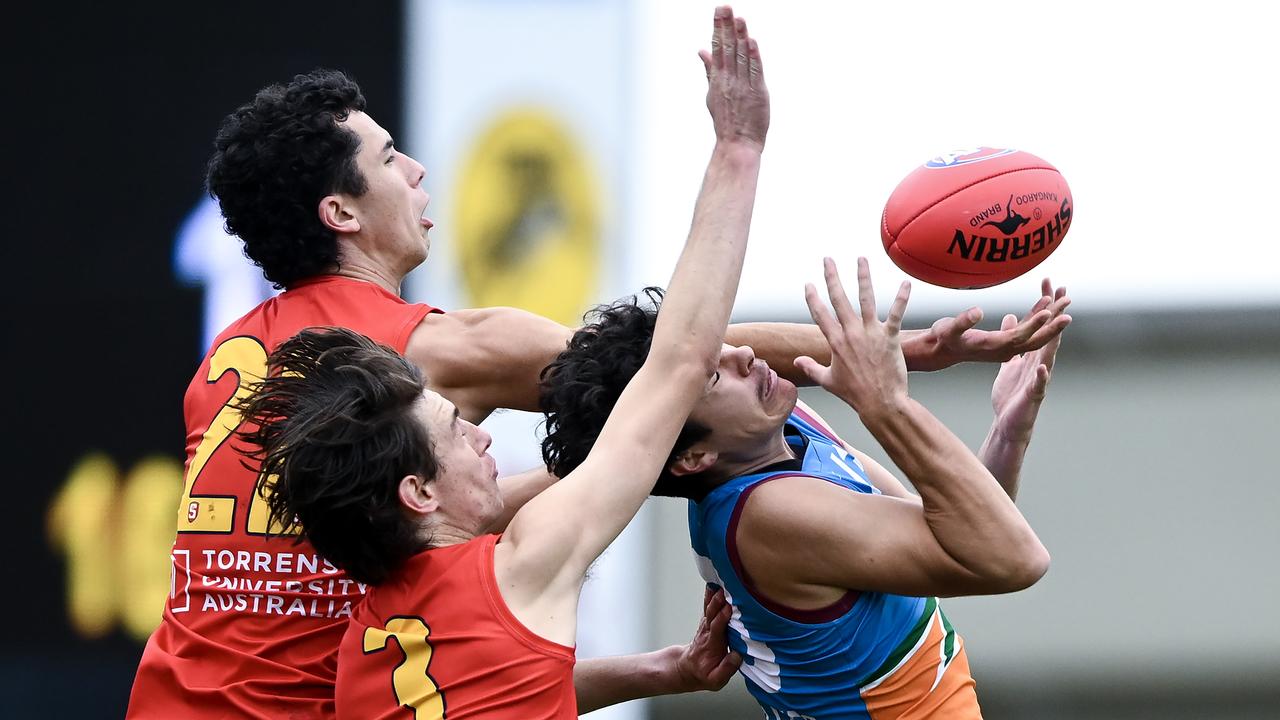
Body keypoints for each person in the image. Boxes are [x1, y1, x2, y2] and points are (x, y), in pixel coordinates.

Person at [128, 5, 1068, 716]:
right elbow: (659, 362)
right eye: (387, 157)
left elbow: (666, 370)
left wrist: (655, 671)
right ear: (340, 213)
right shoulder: (435, 365)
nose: (416, 168)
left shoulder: (234, 362)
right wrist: (881, 357)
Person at [228, 7, 769, 718]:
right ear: (418, 494)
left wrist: (660, 670)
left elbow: (497, 688)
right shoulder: (521, 565)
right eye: (457, 428)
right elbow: (677, 363)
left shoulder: (362, 647)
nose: (484, 436)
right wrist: (737, 150)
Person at [539, 257, 1069, 719]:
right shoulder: (768, 513)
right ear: (693, 457)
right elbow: (1013, 560)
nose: (743, 354)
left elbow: (955, 544)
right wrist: (886, 406)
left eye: (718, 346)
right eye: (712, 375)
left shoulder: (780, 435)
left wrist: (1007, 431)